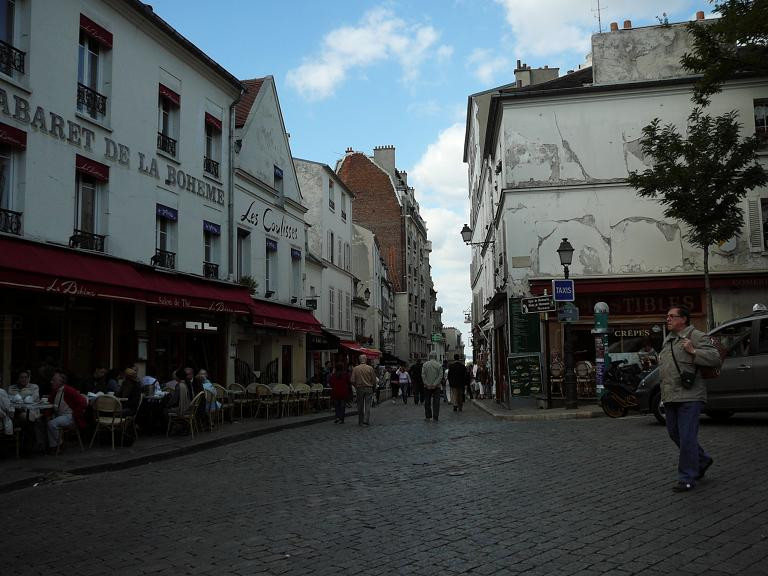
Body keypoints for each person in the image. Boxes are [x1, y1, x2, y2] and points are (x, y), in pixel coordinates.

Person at [659, 306, 721, 492]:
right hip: (671, 397)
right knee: (674, 433)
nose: (667, 319)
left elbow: (715, 358)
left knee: (687, 437)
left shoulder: (696, 336)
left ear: (683, 319)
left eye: (672, 316)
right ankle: (702, 460)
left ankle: (687, 477)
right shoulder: (668, 340)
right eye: (667, 316)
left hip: (690, 396)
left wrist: (693, 351)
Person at [46, 371, 87, 452]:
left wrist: (75, 415)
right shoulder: (55, 391)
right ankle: (54, 447)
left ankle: (60, 444)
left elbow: (83, 402)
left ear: (61, 381)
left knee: (51, 424)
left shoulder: (69, 390)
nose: (51, 382)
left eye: (54, 380)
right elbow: (50, 404)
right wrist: (47, 415)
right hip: (59, 415)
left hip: (70, 416)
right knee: (45, 421)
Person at [350, 354, 376, 426]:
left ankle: (360, 421)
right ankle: (366, 420)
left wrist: (356, 386)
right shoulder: (370, 368)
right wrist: (374, 388)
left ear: (359, 360)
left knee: (360, 405)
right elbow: (374, 380)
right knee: (367, 405)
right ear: (366, 360)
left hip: (359, 388)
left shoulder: (355, 368)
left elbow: (352, 380)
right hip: (369, 388)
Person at [422, 353, 443, 422]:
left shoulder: (425, 365)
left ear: (429, 357)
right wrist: (435, 384)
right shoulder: (439, 365)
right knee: (436, 402)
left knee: (427, 402)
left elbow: (423, 376)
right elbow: (440, 376)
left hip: (426, 386)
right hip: (437, 387)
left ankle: (428, 416)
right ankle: (435, 417)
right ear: (436, 357)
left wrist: (427, 384)